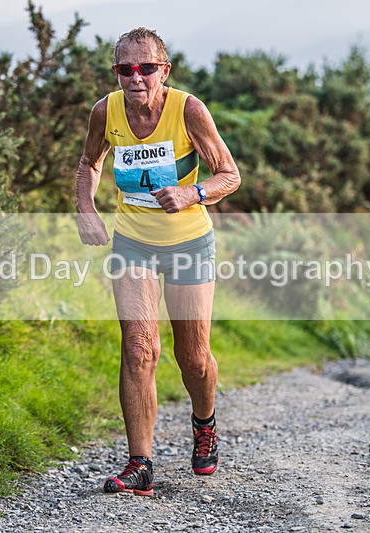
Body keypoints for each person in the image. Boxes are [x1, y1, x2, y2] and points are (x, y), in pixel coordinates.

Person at [75, 27, 240, 496]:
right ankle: (140, 463)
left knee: (192, 357)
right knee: (139, 347)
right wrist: (86, 210)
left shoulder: (188, 110)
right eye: (126, 69)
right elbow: (90, 162)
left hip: (189, 242)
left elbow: (230, 174)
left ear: (164, 71)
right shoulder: (105, 111)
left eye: (147, 67)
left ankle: (204, 422)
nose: (136, 77)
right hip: (133, 242)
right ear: (116, 73)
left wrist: (193, 192)